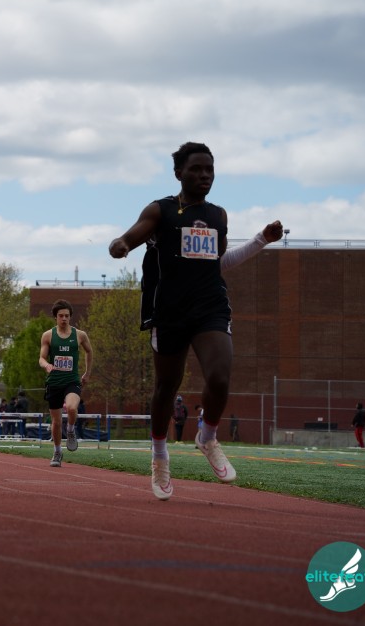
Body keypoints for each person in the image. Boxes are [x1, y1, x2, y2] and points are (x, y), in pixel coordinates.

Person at [109, 141, 284, 500]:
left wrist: (261, 240)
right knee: (166, 388)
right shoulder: (161, 211)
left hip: (209, 307)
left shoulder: (218, 216)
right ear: (179, 173)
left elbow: (218, 263)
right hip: (169, 310)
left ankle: (208, 436)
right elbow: (129, 237)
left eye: (210, 169)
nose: (205, 175)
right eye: (196, 169)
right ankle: (160, 456)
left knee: (219, 377)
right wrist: (121, 245)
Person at [39, 299, 93, 467]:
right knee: (56, 422)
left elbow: (89, 351)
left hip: (72, 381)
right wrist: (47, 365)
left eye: (67, 316)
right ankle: (57, 452)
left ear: (70, 317)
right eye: (61, 316)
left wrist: (87, 373)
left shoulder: (79, 335)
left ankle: (70, 430)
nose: (64, 319)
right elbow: (41, 358)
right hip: (54, 382)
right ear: (55, 317)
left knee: (71, 408)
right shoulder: (48, 335)